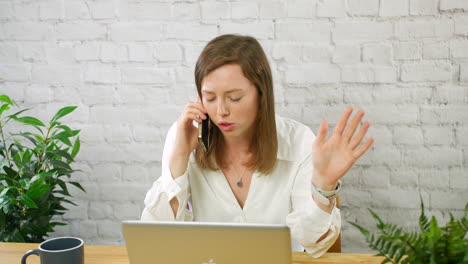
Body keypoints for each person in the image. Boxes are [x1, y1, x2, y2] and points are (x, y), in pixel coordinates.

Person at [141, 34, 374, 257]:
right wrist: (179, 157)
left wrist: (324, 186)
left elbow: (313, 244)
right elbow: (155, 240)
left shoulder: (299, 142)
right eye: (210, 98)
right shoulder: (185, 136)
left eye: (234, 98)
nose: (221, 111)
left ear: (261, 94)